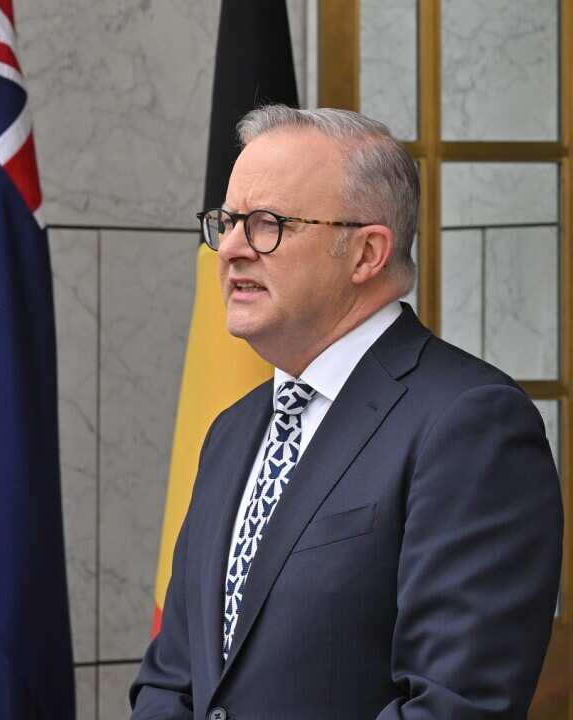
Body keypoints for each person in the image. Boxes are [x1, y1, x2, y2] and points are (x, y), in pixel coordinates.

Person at [131, 106, 563, 719]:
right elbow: (170, 680)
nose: (229, 250)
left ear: (366, 253)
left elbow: (452, 706)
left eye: (266, 224)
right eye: (225, 223)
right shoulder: (231, 431)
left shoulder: (471, 424)